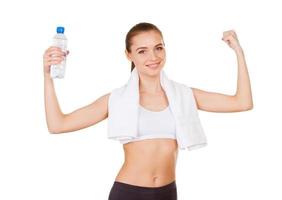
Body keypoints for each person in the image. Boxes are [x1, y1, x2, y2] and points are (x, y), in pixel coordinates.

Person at [43, 22, 253, 200]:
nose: (153, 56)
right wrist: (47, 76)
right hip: (128, 192)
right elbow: (58, 125)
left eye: (158, 48)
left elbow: (242, 102)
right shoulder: (116, 100)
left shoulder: (184, 95)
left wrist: (239, 52)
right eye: (142, 51)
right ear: (129, 55)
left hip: (168, 192)